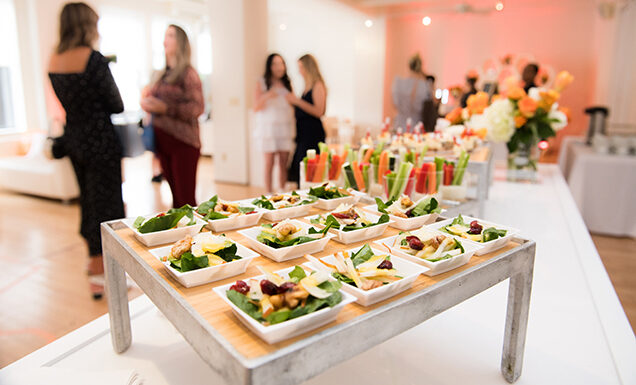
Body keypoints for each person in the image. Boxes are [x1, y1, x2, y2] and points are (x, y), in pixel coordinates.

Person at [48, 2, 125, 299]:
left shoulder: (54, 60)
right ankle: (103, 271)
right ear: (85, 25)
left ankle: (92, 262)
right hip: (101, 143)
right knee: (107, 207)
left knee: (88, 203)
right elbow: (116, 104)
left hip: (75, 142)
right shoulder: (93, 59)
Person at [141, 25, 204, 208]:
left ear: (181, 42)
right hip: (162, 141)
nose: (164, 40)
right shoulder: (161, 74)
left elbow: (197, 107)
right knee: (176, 198)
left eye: (170, 35)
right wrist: (148, 103)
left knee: (185, 199)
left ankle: (195, 235)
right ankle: (180, 235)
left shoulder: (188, 74)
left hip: (183, 142)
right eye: (164, 35)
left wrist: (165, 108)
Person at [253, 53, 294, 193]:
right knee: (269, 163)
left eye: (281, 63)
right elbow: (256, 107)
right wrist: (268, 95)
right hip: (268, 128)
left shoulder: (288, 83)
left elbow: (293, 103)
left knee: (283, 162)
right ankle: (269, 193)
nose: (279, 67)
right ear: (269, 66)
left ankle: (282, 191)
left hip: (284, 127)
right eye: (275, 64)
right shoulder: (262, 82)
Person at [286, 54, 327, 186]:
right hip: (303, 134)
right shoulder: (306, 87)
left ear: (308, 68)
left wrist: (297, 101)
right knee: (301, 172)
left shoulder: (318, 85)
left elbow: (319, 111)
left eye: (301, 67)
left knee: (311, 173)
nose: (299, 71)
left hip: (312, 135)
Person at [391, 53, 431, 131]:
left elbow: (395, 103)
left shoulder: (399, 83)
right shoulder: (425, 86)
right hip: (417, 127)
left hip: (400, 125)